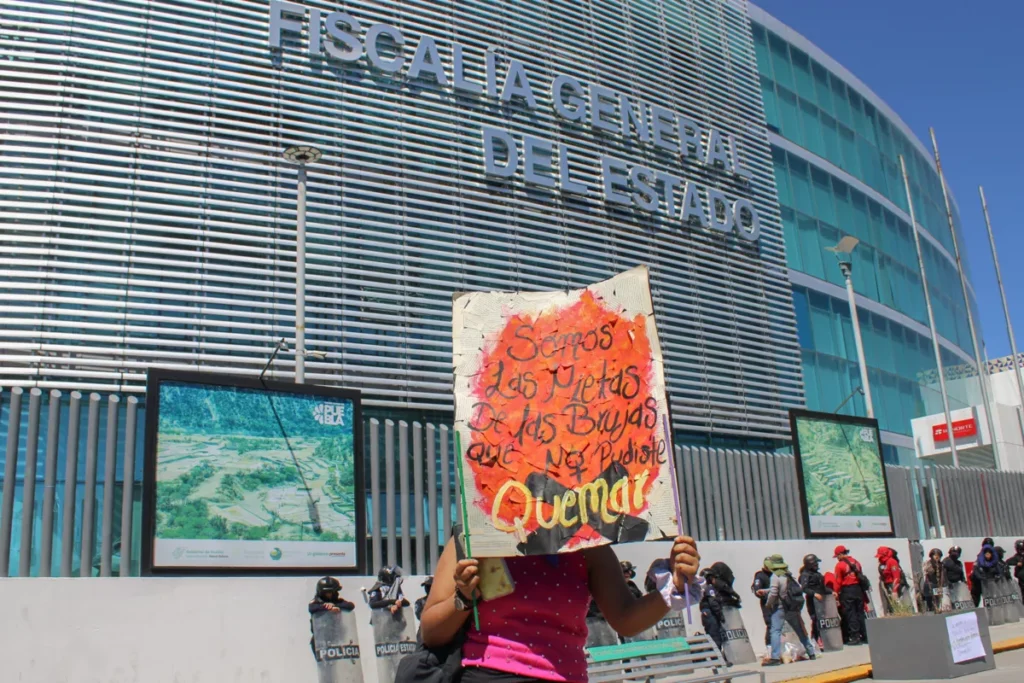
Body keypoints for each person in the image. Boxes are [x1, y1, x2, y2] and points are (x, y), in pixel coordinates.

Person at [419, 535, 701, 683]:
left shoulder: (589, 546)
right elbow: (431, 632)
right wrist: (464, 598)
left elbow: (625, 619)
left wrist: (674, 586)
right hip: (488, 676)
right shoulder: (471, 537)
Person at [762, 554, 816, 667]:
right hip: (792, 607)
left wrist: (768, 604)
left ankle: (775, 657)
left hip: (780, 607)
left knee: (775, 631)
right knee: (800, 630)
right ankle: (811, 652)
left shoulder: (775, 577)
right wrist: (767, 590)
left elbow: (774, 593)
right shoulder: (788, 575)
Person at [699, 562, 742, 657]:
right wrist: (720, 615)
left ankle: (716, 657)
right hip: (710, 613)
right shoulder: (709, 588)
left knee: (714, 635)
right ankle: (716, 658)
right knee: (715, 636)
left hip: (709, 613)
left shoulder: (706, 588)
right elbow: (713, 603)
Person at [308, 576, 355, 659]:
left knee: (337, 664)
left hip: (336, 637)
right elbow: (312, 608)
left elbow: (350, 605)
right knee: (324, 665)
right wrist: (326, 608)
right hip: (320, 639)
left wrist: (334, 606)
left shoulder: (337, 601)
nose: (330, 594)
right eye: (328, 592)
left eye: (332, 592)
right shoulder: (316, 602)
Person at [833, 545, 867, 646]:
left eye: (837, 556)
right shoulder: (857, 562)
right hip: (858, 590)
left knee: (850, 613)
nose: (837, 558)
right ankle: (865, 636)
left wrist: (835, 592)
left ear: (840, 554)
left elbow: (838, 581)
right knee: (860, 613)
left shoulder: (840, 565)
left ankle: (855, 637)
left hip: (848, 591)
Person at [799, 554, 827, 647]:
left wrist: (832, 592)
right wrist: (814, 594)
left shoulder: (817, 574)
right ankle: (815, 639)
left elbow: (823, 588)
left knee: (823, 620)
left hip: (821, 601)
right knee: (816, 620)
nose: (817, 565)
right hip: (812, 601)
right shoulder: (805, 575)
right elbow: (804, 588)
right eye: (815, 563)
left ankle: (824, 639)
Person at [751, 558, 775, 647]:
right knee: (771, 624)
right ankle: (769, 646)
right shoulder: (760, 576)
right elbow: (757, 591)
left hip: (777, 603)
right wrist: (765, 594)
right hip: (767, 604)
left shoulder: (775, 574)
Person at [876, 547, 906, 611]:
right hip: (887, 584)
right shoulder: (883, 563)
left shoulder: (892, 562)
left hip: (894, 584)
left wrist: (894, 590)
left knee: (897, 602)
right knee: (890, 603)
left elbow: (896, 576)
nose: (880, 558)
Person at [971, 543, 1002, 607]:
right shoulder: (978, 562)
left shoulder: (995, 562)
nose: (987, 554)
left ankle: (990, 612)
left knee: (989, 599)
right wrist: (981, 577)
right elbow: (975, 572)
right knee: (975, 599)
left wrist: (997, 576)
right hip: (979, 584)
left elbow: (999, 572)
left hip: (990, 583)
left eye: (989, 552)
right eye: (986, 552)